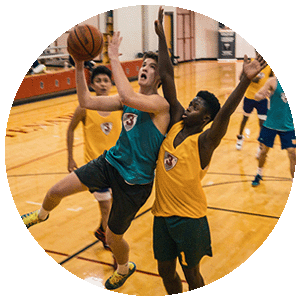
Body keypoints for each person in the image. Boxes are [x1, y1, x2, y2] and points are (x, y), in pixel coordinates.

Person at [21, 32, 170, 290]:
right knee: (55, 191)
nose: (145, 68)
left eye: (152, 66)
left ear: (159, 77)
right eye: (144, 64)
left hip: (135, 183)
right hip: (109, 164)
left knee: (113, 237)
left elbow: (127, 96)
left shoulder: (160, 104)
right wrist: (78, 66)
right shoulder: (128, 102)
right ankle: (41, 215)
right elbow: (86, 101)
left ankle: (124, 268)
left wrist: (113, 58)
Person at [152, 7, 267, 294]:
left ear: (205, 119)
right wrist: (162, 36)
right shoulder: (175, 123)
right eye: (190, 103)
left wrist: (244, 80)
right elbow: (167, 76)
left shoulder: (204, 142)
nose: (188, 107)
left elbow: (226, 114)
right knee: (165, 271)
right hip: (161, 215)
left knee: (192, 275)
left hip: (190, 218)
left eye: (195, 107)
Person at [67, 65, 122, 249]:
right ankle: (112, 246)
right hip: (95, 167)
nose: (103, 84)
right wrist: (70, 158)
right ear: (92, 85)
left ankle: (101, 230)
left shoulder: (119, 107)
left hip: (117, 165)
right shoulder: (84, 108)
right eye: (98, 81)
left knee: (114, 207)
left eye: (106, 80)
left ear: (111, 83)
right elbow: (70, 129)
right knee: (106, 207)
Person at [251, 76, 296, 186]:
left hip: (288, 126)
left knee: (293, 154)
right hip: (270, 124)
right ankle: (259, 173)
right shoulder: (272, 81)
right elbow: (257, 95)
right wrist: (261, 96)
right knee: (263, 152)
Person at [236, 53, 273, 155]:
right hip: (249, 97)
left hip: (262, 99)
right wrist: (251, 78)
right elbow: (240, 77)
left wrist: (271, 93)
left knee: (261, 123)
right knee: (245, 119)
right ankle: (240, 137)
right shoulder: (250, 62)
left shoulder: (269, 66)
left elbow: (272, 80)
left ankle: (260, 145)